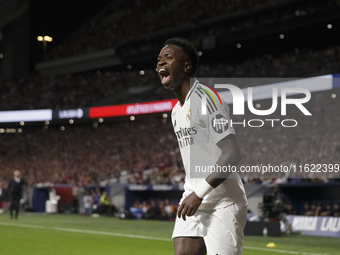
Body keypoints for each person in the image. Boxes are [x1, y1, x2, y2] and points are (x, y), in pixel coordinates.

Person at [156, 38, 248, 255]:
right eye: (159, 59)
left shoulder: (207, 98)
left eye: (168, 58)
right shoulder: (176, 111)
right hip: (194, 193)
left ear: (187, 67)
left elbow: (233, 154)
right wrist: (194, 192)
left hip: (224, 199)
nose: (160, 62)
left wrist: (199, 193)